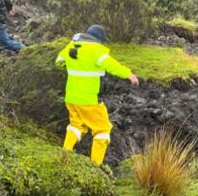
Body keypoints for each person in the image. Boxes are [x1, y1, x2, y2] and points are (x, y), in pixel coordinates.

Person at [55, 25, 139, 165]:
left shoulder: (72, 46)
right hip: (89, 100)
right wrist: (129, 74)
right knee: (103, 130)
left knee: (76, 125)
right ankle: (95, 165)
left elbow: (59, 62)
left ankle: (64, 154)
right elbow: (112, 65)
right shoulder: (96, 50)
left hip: (71, 97)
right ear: (98, 39)